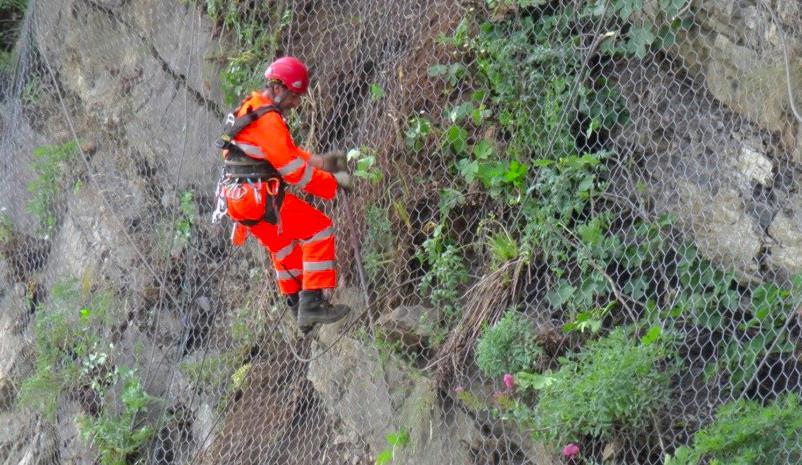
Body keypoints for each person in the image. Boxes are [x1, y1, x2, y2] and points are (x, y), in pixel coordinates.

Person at [214, 56, 351, 331]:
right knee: (319, 230)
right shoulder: (269, 120)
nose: (296, 103)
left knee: (283, 246)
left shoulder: (250, 109)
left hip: (238, 200)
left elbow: (283, 153)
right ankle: (312, 305)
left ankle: (296, 304)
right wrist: (331, 184)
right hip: (259, 197)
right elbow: (292, 171)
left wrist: (323, 163)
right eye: (294, 96)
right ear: (278, 88)